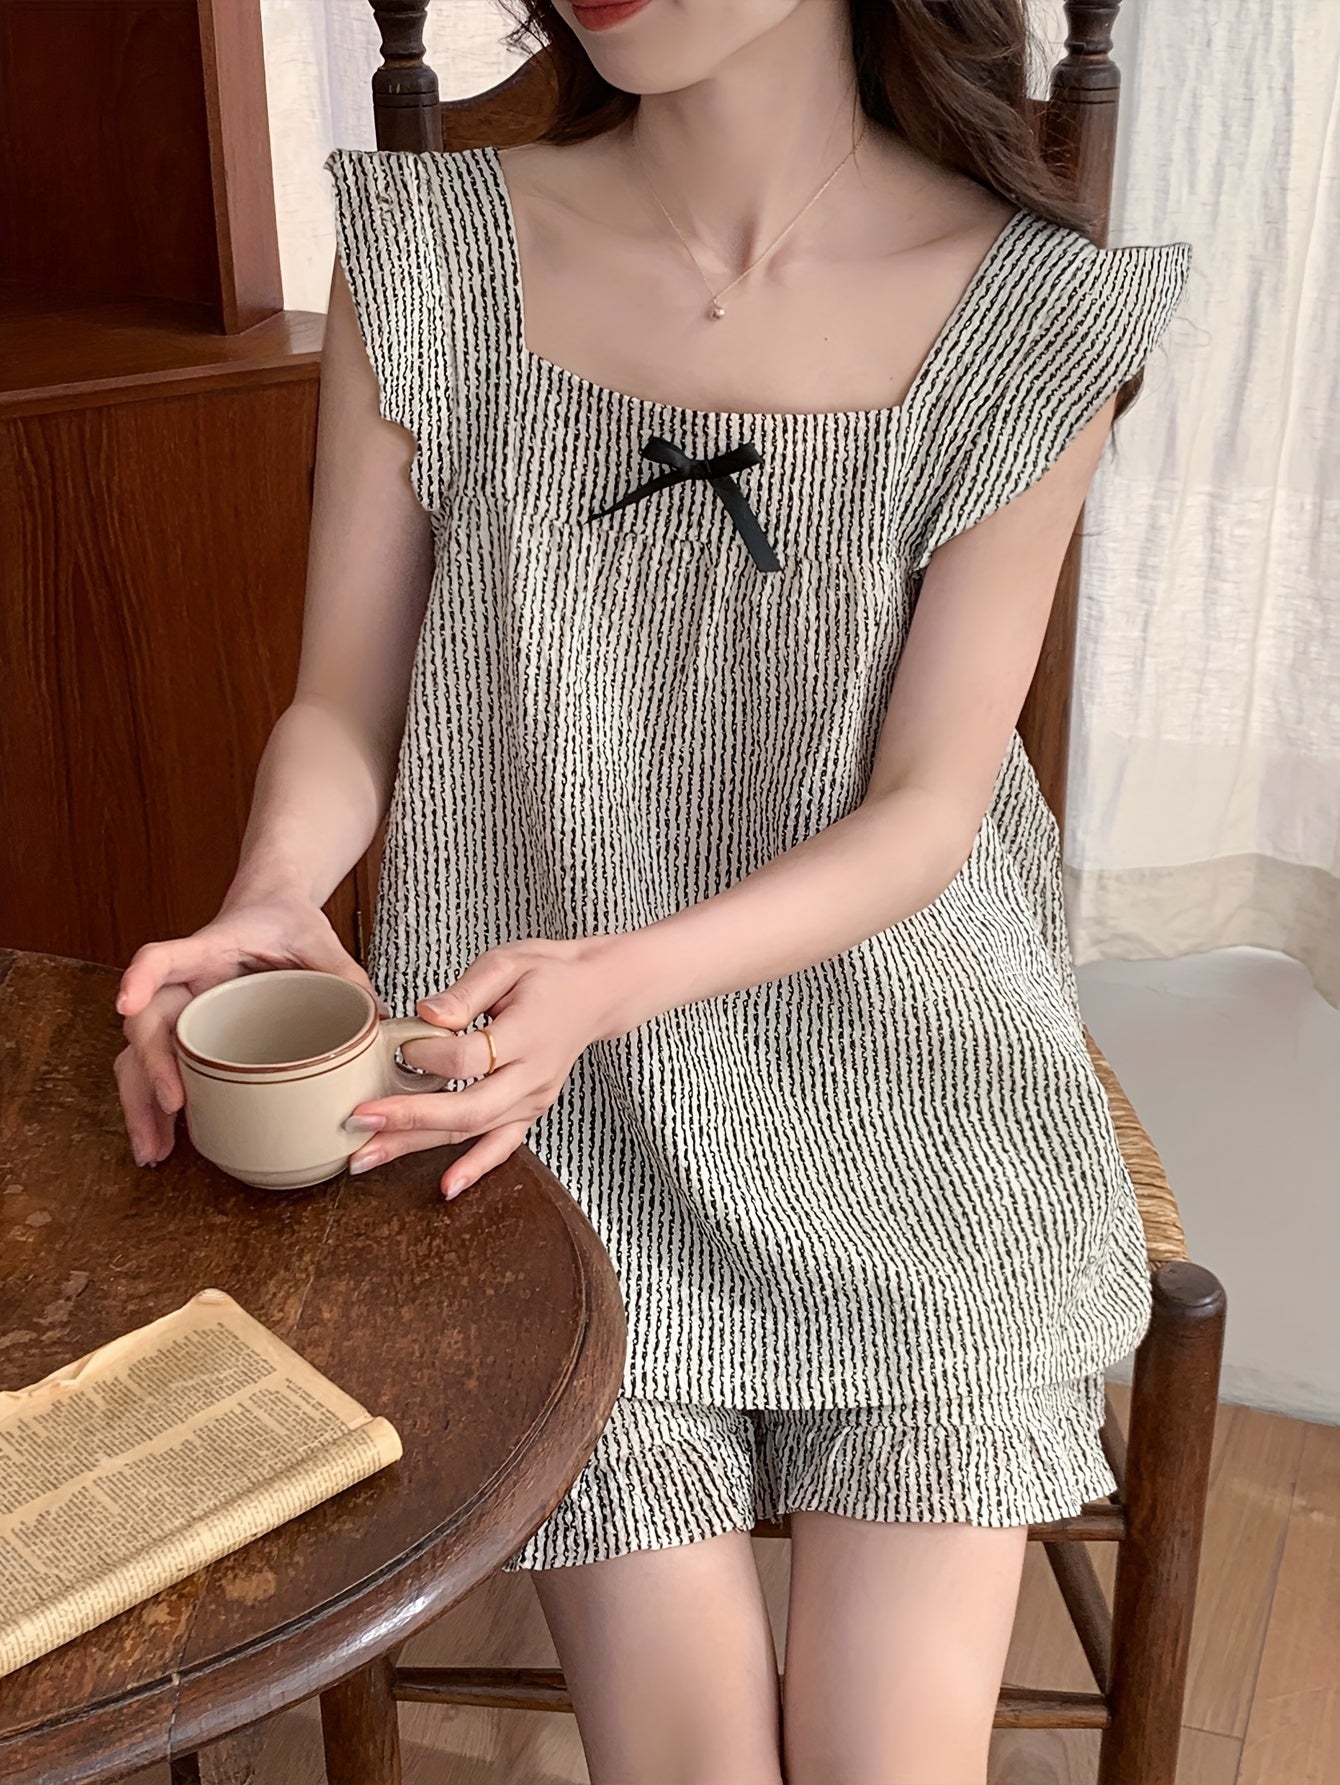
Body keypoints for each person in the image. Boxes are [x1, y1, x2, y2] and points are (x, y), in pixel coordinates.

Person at [114, 1, 1193, 1779]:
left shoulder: (1030, 316)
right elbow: (340, 705)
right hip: (548, 1147)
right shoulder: (433, 255)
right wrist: (277, 885)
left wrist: (616, 977)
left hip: (916, 1115)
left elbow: (929, 812)